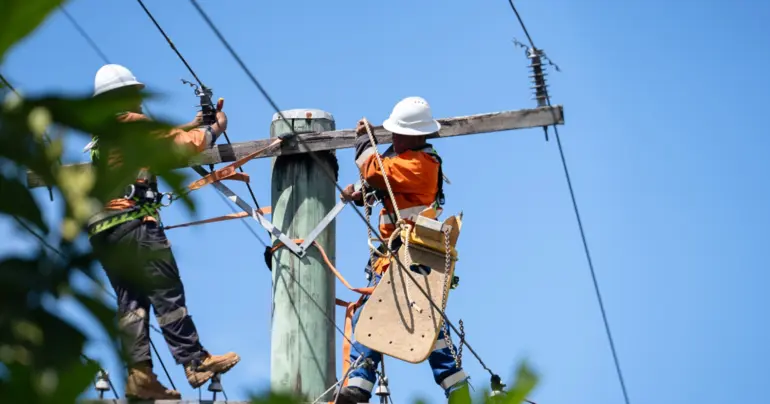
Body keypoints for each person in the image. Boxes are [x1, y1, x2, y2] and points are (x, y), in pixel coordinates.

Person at [85, 64, 240, 400]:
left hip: (104, 230)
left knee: (132, 303)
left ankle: (140, 377)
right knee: (166, 290)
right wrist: (213, 129)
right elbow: (179, 145)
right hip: (135, 222)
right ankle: (195, 361)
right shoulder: (131, 123)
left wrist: (192, 123)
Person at [336, 96, 471, 403]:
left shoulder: (419, 164)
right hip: (399, 258)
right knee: (415, 320)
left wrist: (362, 142)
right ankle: (456, 388)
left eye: (397, 133)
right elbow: (383, 185)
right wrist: (360, 195)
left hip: (408, 258)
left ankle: (358, 386)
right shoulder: (410, 164)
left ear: (415, 136)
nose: (393, 138)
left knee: (381, 316)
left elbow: (375, 171)